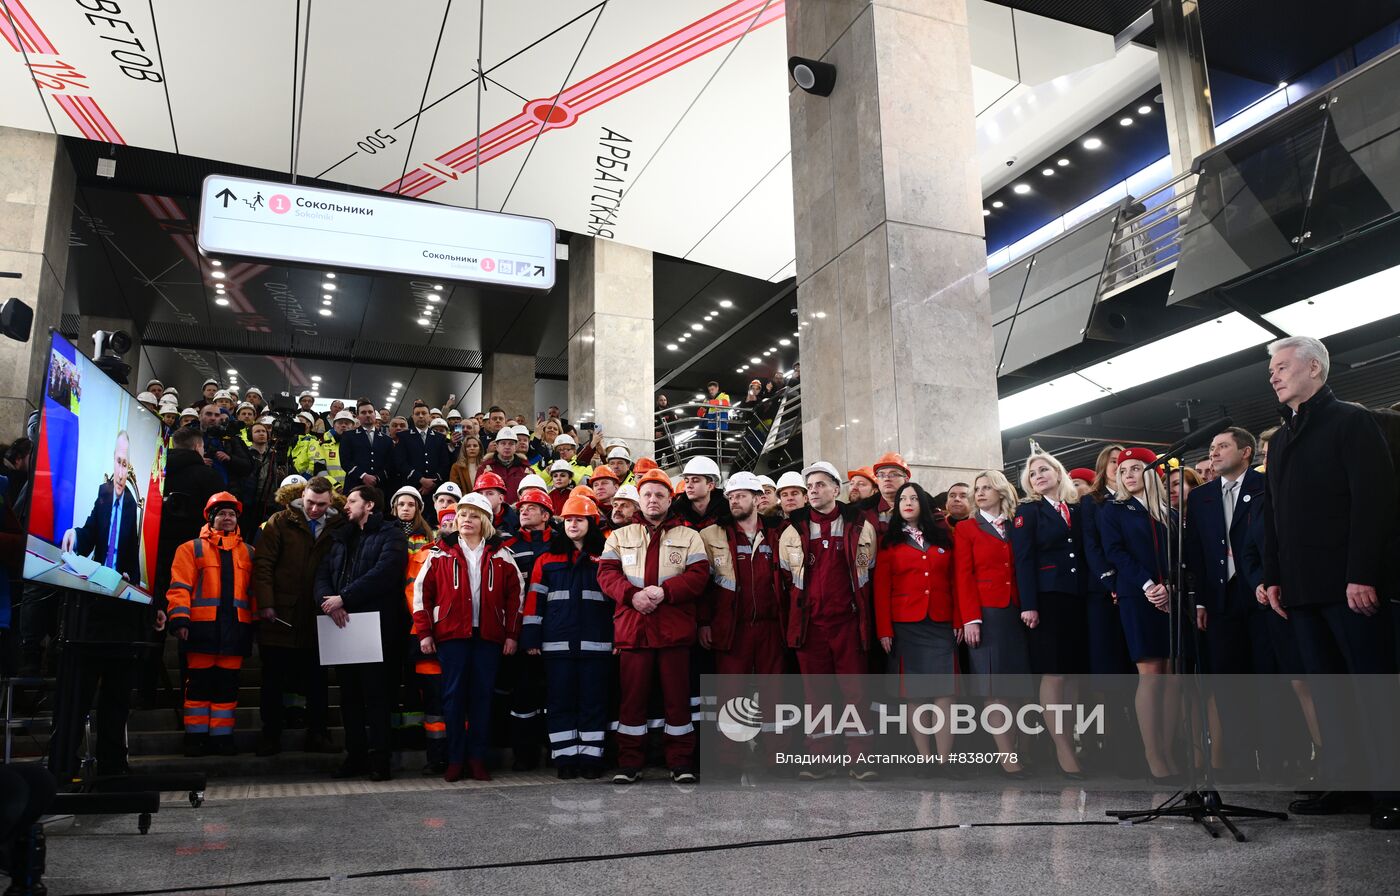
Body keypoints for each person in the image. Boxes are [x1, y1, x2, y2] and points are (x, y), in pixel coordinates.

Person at [1259, 336, 1399, 827]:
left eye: (1281, 366)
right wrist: (1272, 576)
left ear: (1314, 368)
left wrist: (1362, 573)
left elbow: (1373, 503)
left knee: (1372, 688)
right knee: (1329, 691)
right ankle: (1346, 783)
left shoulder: (1351, 421)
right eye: (1271, 370)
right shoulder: (1279, 441)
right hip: (1299, 588)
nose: (1273, 376)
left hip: (1348, 585)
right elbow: (1275, 515)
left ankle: (1390, 792)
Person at [597, 468, 710, 784]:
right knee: (632, 700)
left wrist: (666, 592)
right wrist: (632, 596)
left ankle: (681, 762)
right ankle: (630, 763)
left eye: (659, 494)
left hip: (673, 630)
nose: (652, 499)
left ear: (669, 499)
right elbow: (606, 575)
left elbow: (699, 576)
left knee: (677, 701)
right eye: (646, 494)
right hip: (634, 629)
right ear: (638, 500)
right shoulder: (620, 536)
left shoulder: (689, 536)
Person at [777, 461, 879, 780]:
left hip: (848, 622)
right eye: (811, 486)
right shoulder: (793, 529)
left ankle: (860, 759)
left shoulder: (861, 525)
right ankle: (820, 758)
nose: (814, 490)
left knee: (855, 692)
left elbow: (868, 573)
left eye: (821, 484)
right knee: (815, 694)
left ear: (837, 489)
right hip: (811, 626)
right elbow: (786, 579)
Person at [413, 493, 522, 782]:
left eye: (474, 516)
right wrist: (425, 632)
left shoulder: (502, 555)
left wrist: (511, 634)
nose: (467, 521)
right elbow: (422, 595)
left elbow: (516, 598)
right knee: (453, 698)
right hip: (451, 636)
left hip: (488, 637)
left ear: (485, 521)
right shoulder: (439, 552)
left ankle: (477, 759)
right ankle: (455, 759)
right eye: (462, 516)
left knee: (482, 698)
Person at [1184, 426, 1267, 776]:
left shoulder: (1264, 486)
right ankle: (1239, 761)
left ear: (1246, 452)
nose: (1214, 453)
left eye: (1223, 447)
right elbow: (1197, 554)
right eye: (1212, 448)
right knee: (1228, 681)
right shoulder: (1201, 497)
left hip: (1260, 593)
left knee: (1267, 676)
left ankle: (1279, 759)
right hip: (1219, 599)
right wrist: (1201, 601)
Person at [1099, 447, 1182, 783]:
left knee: (1173, 674)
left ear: (1154, 473)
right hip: (1139, 595)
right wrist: (1150, 586)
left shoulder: (1169, 513)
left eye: (1137, 468)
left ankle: (1170, 748)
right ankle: (1153, 754)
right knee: (1151, 671)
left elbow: (1181, 556)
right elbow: (1115, 553)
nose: (1129, 474)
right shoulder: (1114, 510)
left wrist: (1171, 588)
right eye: (1124, 469)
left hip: (1172, 598)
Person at [315, 485, 409, 781]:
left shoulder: (392, 534)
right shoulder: (342, 536)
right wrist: (330, 603)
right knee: (349, 697)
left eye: (353, 501)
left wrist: (345, 598)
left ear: (369, 505)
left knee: (377, 696)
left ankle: (380, 760)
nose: (347, 506)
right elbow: (321, 575)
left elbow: (385, 573)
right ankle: (354, 757)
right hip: (342, 627)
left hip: (377, 628)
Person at [1008, 446, 1086, 778]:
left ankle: (1071, 739)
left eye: (1044, 470)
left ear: (1058, 473)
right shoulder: (1029, 512)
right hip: (1046, 598)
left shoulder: (1075, 509)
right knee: (1053, 673)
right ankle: (1062, 748)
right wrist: (1029, 604)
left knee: (1071, 675)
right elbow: (1023, 560)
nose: (1039, 476)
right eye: (1033, 473)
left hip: (1075, 596)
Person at [522, 494, 612, 779]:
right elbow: (534, 599)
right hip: (557, 644)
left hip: (597, 644)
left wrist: (619, 638)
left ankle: (590, 758)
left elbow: (615, 602)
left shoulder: (607, 556)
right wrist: (531, 637)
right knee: (560, 701)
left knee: (593, 702)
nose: (573, 524)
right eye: (569, 519)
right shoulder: (547, 557)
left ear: (591, 522)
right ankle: (565, 758)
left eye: (579, 519)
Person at [252, 476, 343, 756]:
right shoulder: (280, 521)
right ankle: (271, 734)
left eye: (321, 504)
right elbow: (264, 564)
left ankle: (318, 733)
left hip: (319, 613)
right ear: (302, 496)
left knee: (317, 679)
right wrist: (266, 602)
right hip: (282, 612)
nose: (315, 509)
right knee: (274, 678)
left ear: (331, 502)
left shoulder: (338, 524)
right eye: (310, 503)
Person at [166, 492, 258, 757]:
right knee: (198, 686)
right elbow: (179, 587)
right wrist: (180, 619)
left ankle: (222, 738)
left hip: (236, 630)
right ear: (211, 518)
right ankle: (195, 739)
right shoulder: (190, 548)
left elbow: (253, 592)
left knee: (227, 687)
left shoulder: (249, 552)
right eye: (222, 514)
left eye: (231, 514)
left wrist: (255, 623)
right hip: (200, 629)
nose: (227, 518)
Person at [874, 482, 958, 766]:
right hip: (905, 625)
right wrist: (884, 629)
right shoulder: (889, 542)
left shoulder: (944, 537)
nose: (907, 502)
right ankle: (924, 759)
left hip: (941, 622)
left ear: (922, 503)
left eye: (913, 498)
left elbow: (955, 583)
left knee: (945, 693)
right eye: (902, 499)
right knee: (915, 695)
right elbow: (881, 589)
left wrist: (959, 619)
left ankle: (945, 760)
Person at [954, 470, 1032, 776]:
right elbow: (963, 575)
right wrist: (970, 618)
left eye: (987, 487)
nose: (980, 493)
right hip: (987, 614)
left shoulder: (1017, 524)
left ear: (1001, 491)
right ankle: (1005, 755)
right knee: (993, 686)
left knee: (1019, 686)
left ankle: (1020, 746)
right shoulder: (966, 528)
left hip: (1019, 611)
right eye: (977, 488)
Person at [501, 487, 556, 770]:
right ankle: (524, 755)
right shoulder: (508, 546)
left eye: (531, 508)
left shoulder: (560, 544)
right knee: (523, 695)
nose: (523, 511)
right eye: (521, 508)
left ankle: (554, 751)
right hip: (521, 633)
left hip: (557, 632)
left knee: (554, 696)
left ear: (546, 515)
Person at [340, 399, 395, 491]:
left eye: (370, 412)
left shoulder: (387, 440)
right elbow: (345, 461)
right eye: (363, 412)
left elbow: (389, 464)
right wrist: (363, 476)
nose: (368, 415)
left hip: (379, 487)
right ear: (358, 416)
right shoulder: (348, 436)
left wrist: (377, 478)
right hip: (354, 486)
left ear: (375, 414)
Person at [672, 457, 729, 530]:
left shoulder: (727, 512)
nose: (689, 485)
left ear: (710, 486)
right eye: (686, 481)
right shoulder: (676, 513)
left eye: (695, 480)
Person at [481, 426, 531, 503]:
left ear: (515, 447)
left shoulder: (526, 469)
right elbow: (478, 494)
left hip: (518, 512)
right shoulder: (485, 468)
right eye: (503, 443)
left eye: (511, 444)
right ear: (497, 447)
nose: (507, 447)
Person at [869, 452, 911, 532]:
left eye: (894, 474)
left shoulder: (921, 508)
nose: (886, 478)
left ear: (906, 480)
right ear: (877, 481)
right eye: (881, 475)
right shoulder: (864, 513)